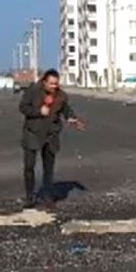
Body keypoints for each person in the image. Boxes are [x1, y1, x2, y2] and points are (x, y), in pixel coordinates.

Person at [17, 69, 84, 205]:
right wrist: (38, 111)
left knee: (49, 168)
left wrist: (72, 118)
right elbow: (23, 107)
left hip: (51, 134)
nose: (54, 86)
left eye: (56, 84)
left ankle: (47, 196)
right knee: (29, 167)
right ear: (44, 82)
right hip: (33, 133)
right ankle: (30, 197)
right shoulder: (32, 91)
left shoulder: (61, 95)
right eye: (51, 83)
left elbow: (66, 110)